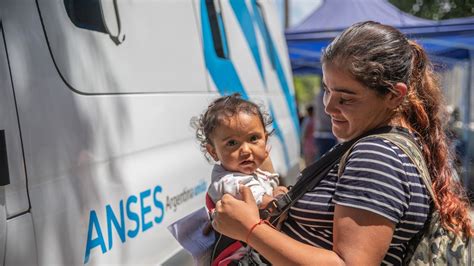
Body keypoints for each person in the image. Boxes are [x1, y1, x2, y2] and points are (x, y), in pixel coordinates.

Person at [210, 21, 473, 265]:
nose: (328, 107)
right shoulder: (377, 142)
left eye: (346, 98)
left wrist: (250, 230)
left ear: (394, 95)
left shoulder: (377, 156)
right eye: (327, 89)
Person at [192, 93, 287, 209]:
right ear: (213, 152)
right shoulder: (229, 182)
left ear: (265, 140)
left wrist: (277, 190)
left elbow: (270, 185)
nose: (246, 151)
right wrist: (280, 198)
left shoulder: (254, 171)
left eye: (253, 138)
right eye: (232, 143)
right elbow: (269, 205)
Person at [313, 87, 337, 159]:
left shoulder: (318, 96)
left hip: (319, 133)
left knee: (321, 161)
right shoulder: (329, 94)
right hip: (328, 133)